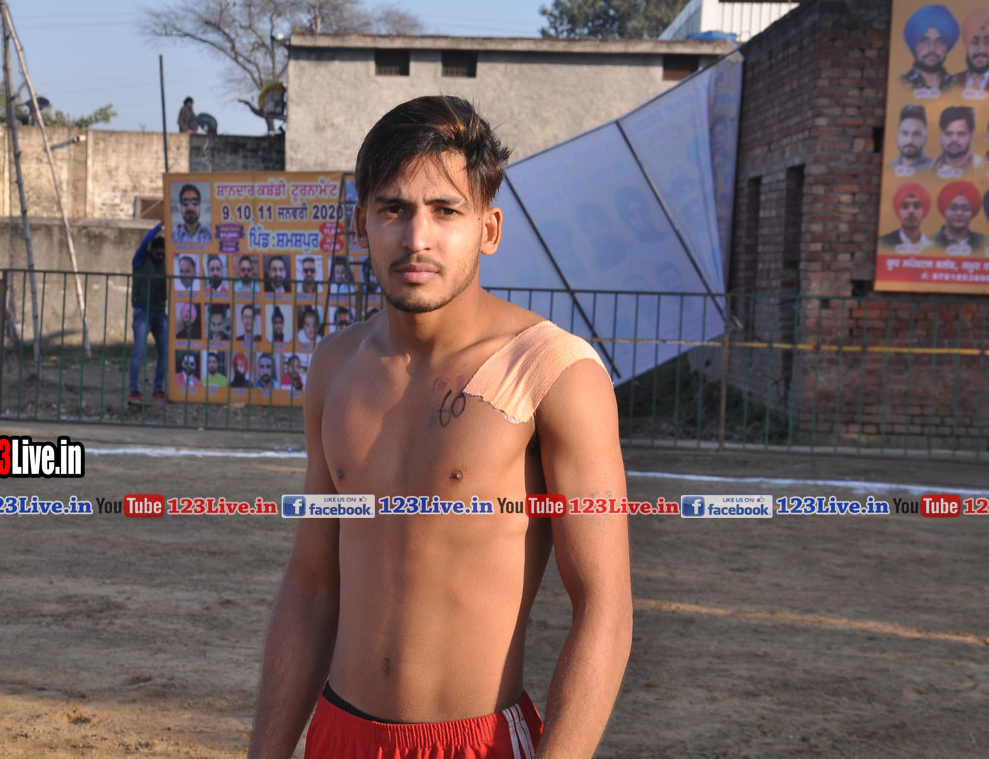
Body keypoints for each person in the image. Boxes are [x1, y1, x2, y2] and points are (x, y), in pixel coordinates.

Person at [248, 96, 631, 759]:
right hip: (338, 736)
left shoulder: (552, 372)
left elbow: (605, 608)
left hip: (475, 744)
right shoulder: (336, 366)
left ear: (489, 228)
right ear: (361, 223)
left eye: (445, 210)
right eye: (393, 209)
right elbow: (311, 585)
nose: (416, 238)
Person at [129, 232, 167, 403]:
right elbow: (145, 240)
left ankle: (158, 389)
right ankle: (133, 389)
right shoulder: (140, 260)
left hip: (159, 310)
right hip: (142, 310)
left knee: (164, 353)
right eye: (158, 253)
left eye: (164, 254)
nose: (161, 257)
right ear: (151, 250)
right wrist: (159, 226)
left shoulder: (166, 264)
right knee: (139, 351)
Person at [899, 4, 961, 93]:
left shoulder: (958, 85)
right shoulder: (901, 83)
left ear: (947, 47)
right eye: (924, 41)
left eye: (940, 41)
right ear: (914, 46)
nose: (932, 48)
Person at [932, 181, 988, 252]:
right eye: (953, 208)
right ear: (944, 211)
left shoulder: (983, 242)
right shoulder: (932, 242)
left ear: (972, 213)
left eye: (965, 209)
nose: (959, 213)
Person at [879, 181, 932, 251]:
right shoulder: (883, 243)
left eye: (916, 206)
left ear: (924, 211)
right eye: (905, 206)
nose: (911, 211)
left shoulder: (932, 247)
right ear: (898, 211)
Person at [932, 106, 983, 176]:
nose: (954, 139)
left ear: (971, 137)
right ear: (940, 136)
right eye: (949, 133)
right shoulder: (929, 167)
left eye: (961, 134)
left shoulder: (982, 168)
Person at [889, 104, 934, 175]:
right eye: (905, 133)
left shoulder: (933, 168)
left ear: (925, 137)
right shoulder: (891, 167)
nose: (910, 140)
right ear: (898, 135)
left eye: (916, 134)